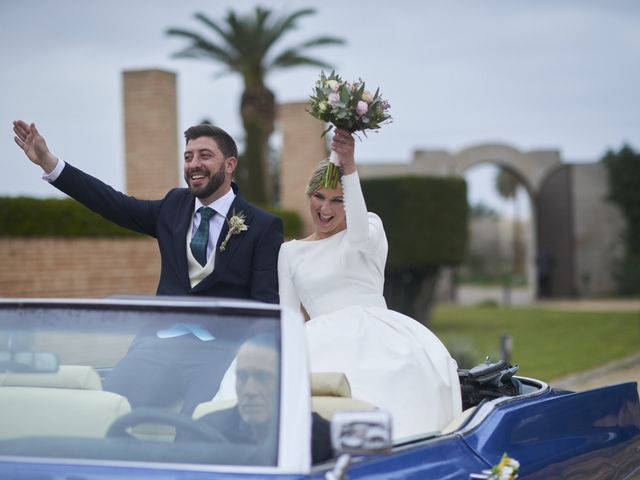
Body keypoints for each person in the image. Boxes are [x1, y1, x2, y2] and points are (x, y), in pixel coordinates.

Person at [12, 120, 284, 413]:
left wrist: (249, 359)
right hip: (158, 344)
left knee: (203, 424)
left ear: (230, 165)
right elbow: (112, 203)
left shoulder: (262, 225)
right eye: (188, 156)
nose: (194, 164)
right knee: (106, 411)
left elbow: (266, 306)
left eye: (205, 155)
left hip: (221, 351)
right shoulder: (172, 206)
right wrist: (50, 164)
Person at [277, 129, 463, 439]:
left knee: (396, 389)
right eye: (319, 197)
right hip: (320, 343)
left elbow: (359, 231)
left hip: (379, 335)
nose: (326, 209)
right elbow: (287, 316)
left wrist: (349, 166)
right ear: (309, 196)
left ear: (349, 201)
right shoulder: (290, 251)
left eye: (337, 200)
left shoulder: (369, 231)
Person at [184, 334, 334, 465]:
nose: (250, 390)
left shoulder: (323, 439)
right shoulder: (204, 432)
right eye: (242, 377)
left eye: (263, 378)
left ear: (287, 382)